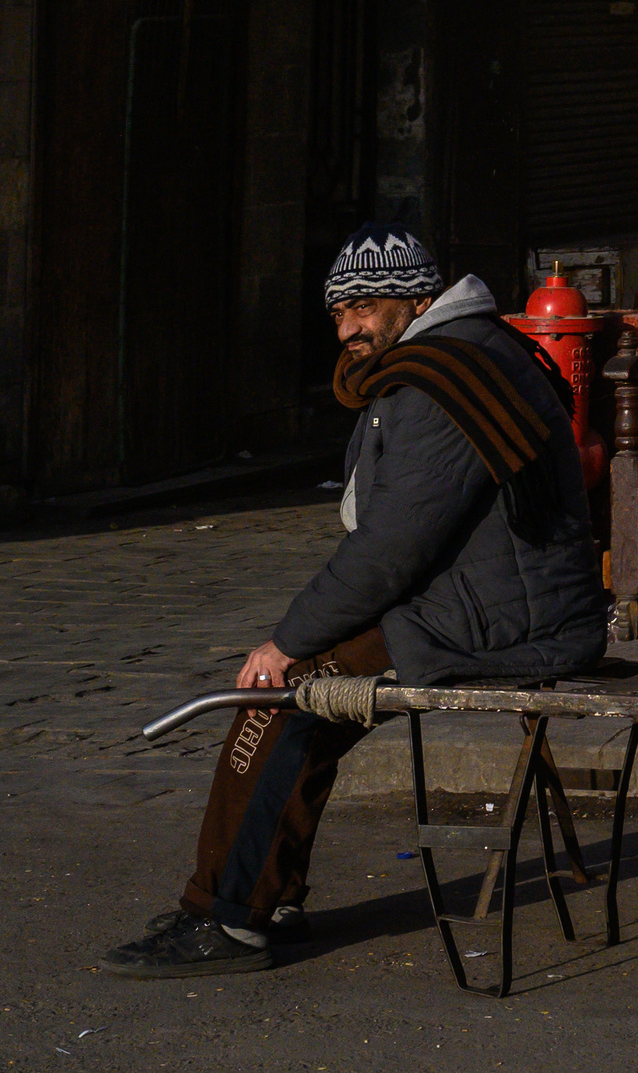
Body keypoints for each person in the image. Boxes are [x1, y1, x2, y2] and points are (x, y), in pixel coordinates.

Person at [100, 227, 608, 978]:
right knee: (302, 703)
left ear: (420, 301)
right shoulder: (463, 353)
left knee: (280, 701)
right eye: (339, 313)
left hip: (500, 619)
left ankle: (226, 917)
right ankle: (266, 896)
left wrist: (285, 642)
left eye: (365, 308)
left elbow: (391, 545)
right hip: (491, 600)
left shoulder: (440, 380)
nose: (347, 330)